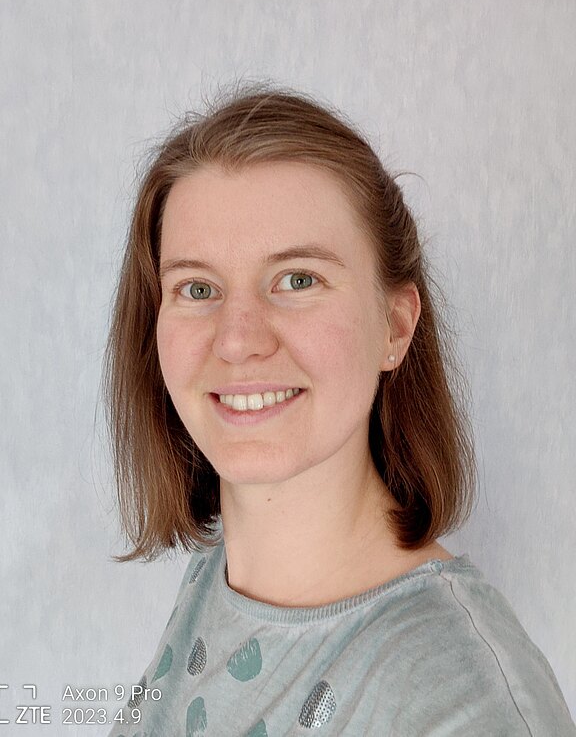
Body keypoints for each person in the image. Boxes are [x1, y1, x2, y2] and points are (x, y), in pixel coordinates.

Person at [104, 85, 575, 736]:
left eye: (298, 280)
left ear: (394, 326)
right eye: (198, 288)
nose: (238, 340)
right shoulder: (215, 575)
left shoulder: (465, 706)